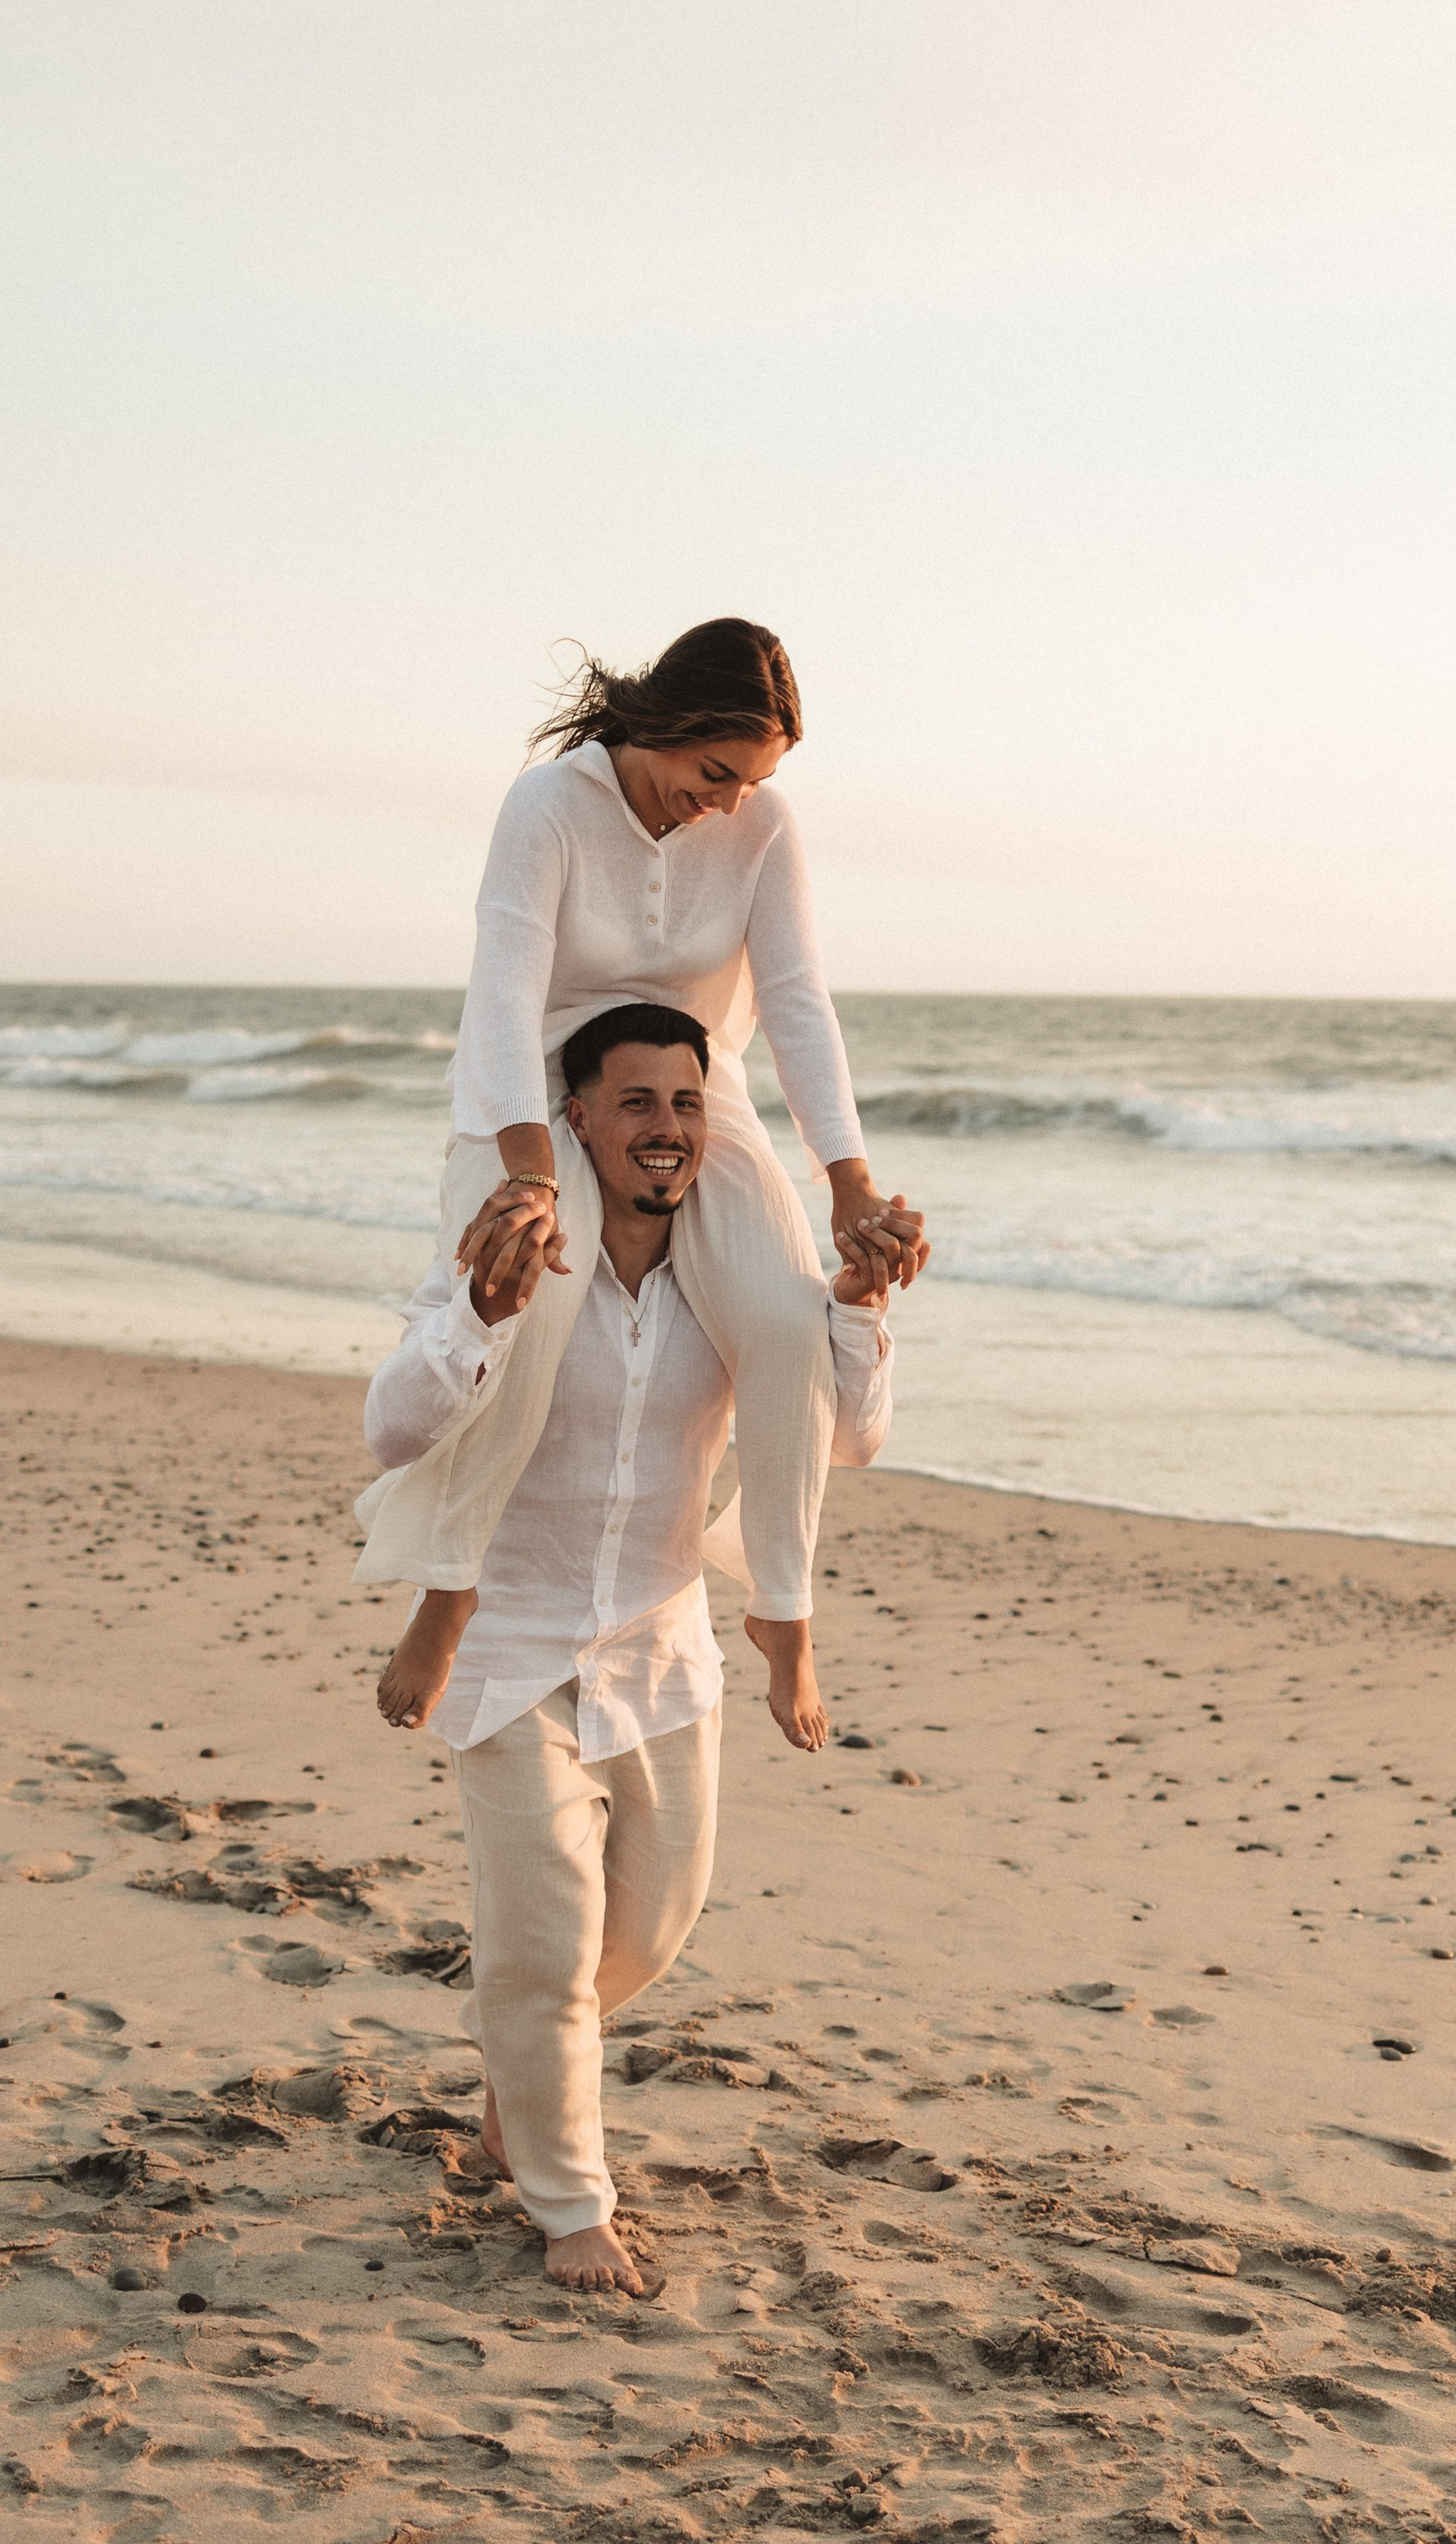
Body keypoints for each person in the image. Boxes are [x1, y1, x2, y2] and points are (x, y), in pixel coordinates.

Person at [362, 1002, 895, 2292]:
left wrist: (865, 1301)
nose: (666, 1128)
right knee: (545, 1941)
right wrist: (483, 1315)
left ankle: (526, 2065)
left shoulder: (739, 1282)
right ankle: (567, 2200)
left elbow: (850, 1432)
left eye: (687, 1102)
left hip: (661, 1647)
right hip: (512, 1644)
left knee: (652, 1927)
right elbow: (395, 1426)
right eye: (637, 1102)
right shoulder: (512, 1259)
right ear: (580, 1120)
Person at [353, 618, 925, 1739]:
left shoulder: (761, 825)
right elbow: (507, 993)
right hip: (540, 1091)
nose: (727, 801)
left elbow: (798, 1001)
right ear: (663, 724)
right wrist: (528, 1175)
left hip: (690, 1088)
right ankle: (454, 1577)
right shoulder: (551, 806)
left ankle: (784, 1611)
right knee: (541, 1293)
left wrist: (849, 1183)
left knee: (781, 1311)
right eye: (715, 772)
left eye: (752, 780)